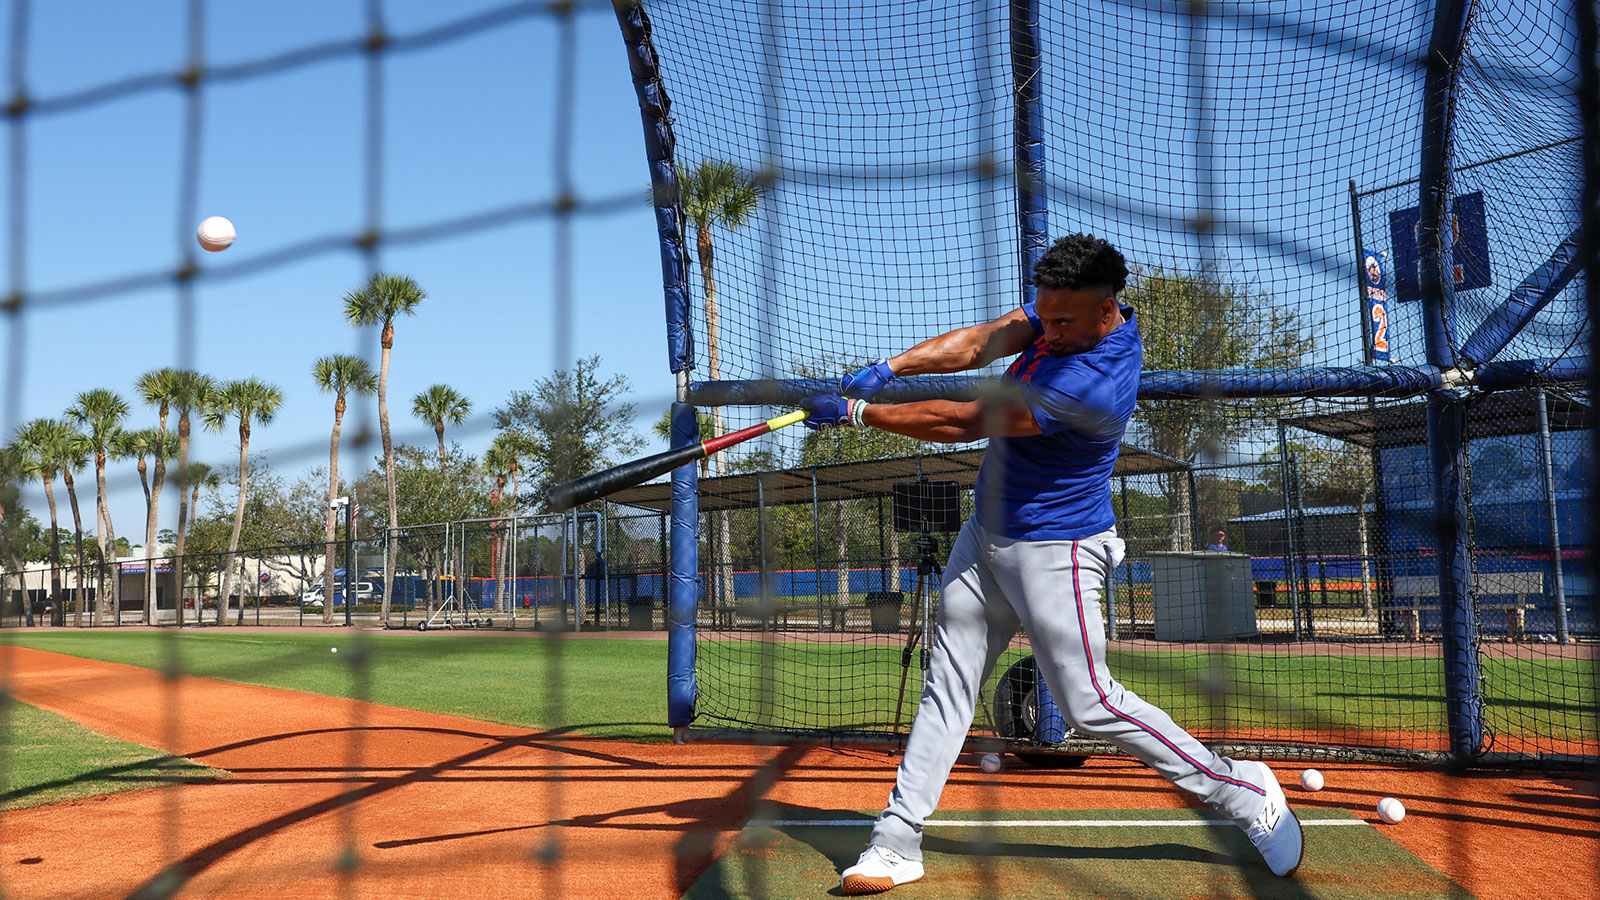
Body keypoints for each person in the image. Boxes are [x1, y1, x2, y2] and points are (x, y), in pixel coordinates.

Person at [800, 234, 1302, 894]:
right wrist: (889, 365)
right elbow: (985, 340)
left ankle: (1243, 790)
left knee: (1091, 704)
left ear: (1106, 311)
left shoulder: (1092, 381)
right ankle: (896, 842)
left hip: (1056, 551)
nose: (1049, 328)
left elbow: (967, 421)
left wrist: (861, 413)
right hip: (984, 537)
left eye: (1063, 320)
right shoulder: (1060, 317)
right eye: (1045, 314)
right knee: (947, 686)